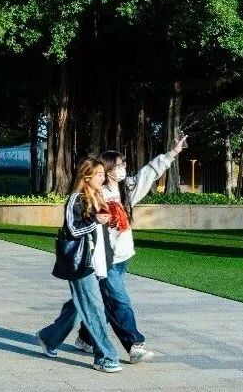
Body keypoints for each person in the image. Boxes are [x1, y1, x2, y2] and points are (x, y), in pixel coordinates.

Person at [74, 134, 188, 364]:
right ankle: (134, 345)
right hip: (106, 259)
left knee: (108, 301)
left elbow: (149, 172)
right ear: (106, 170)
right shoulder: (97, 194)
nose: (122, 168)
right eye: (117, 165)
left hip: (123, 256)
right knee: (120, 300)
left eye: (123, 164)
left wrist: (173, 153)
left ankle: (85, 338)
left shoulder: (127, 189)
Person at [37, 158, 122, 373]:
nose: (103, 178)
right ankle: (105, 357)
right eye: (99, 174)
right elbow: (73, 230)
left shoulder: (98, 196)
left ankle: (49, 337)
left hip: (97, 261)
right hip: (81, 261)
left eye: (103, 174)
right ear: (87, 176)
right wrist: (95, 221)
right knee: (94, 307)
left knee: (78, 305)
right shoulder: (76, 198)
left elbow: (100, 231)